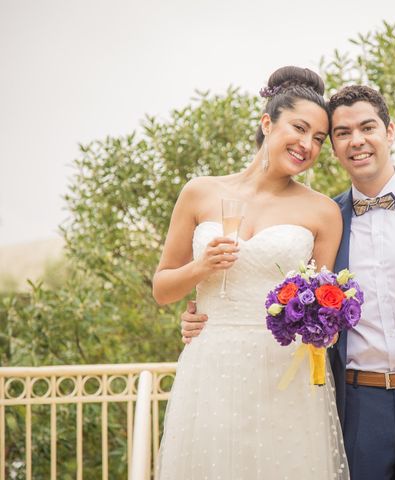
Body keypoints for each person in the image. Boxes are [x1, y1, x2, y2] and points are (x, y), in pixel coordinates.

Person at [182, 85, 395, 479]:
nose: (357, 141)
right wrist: (203, 314)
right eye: (342, 133)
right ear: (332, 147)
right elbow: (278, 288)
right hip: (356, 407)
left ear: (390, 131)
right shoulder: (325, 217)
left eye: (367, 127)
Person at [153, 66, 349, 479]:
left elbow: (326, 305)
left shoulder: (323, 212)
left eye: (318, 139)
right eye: (299, 128)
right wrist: (201, 267)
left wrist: (323, 322)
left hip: (285, 374)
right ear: (267, 122)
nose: (307, 145)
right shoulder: (200, 192)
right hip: (211, 366)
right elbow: (162, 289)